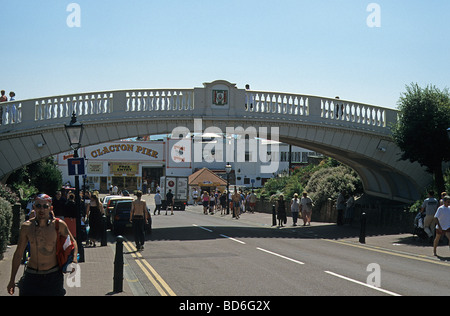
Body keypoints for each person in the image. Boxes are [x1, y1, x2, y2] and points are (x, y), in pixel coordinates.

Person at [7, 194, 78, 296]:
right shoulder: (26, 227)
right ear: (34, 207)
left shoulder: (59, 225)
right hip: (32, 276)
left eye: (45, 206)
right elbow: (18, 254)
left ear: (50, 208)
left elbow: (73, 242)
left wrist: (74, 259)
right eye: (38, 206)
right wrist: (12, 280)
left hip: (53, 276)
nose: (42, 209)